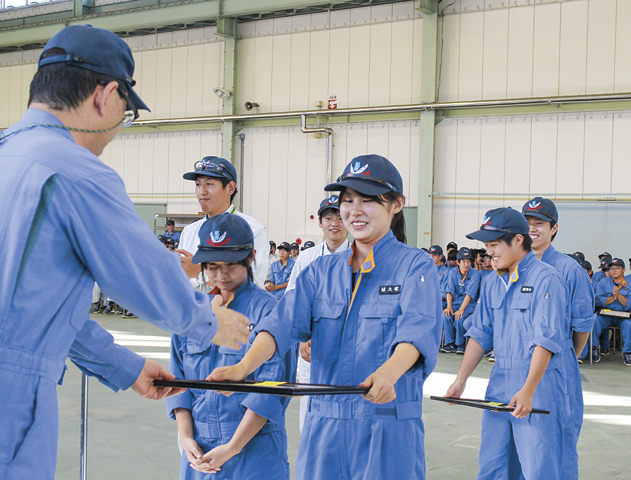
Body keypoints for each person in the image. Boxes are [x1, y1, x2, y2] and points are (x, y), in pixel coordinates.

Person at [0, 25, 249, 480]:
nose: (115, 131)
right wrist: (208, 321)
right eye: (125, 113)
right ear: (106, 95)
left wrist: (125, 366)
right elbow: (143, 274)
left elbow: (39, 311)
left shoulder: (8, 156)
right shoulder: (75, 170)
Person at [208, 154, 443, 480]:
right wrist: (242, 368)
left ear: (397, 204)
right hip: (325, 428)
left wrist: (389, 373)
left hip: (385, 425)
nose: (355, 210)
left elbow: (418, 331)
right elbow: (281, 324)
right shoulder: (320, 272)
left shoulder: (415, 267)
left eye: (369, 200)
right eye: (348, 200)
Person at [166, 214, 294, 479]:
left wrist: (232, 448)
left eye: (231, 265)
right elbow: (178, 382)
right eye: (212, 266)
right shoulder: (194, 313)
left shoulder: (270, 312)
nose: (221, 275)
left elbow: (269, 391)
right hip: (199, 453)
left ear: (251, 257)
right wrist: (186, 438)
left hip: (254, 453)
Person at [446, 207, 569, 480]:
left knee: (539, 465)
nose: (489, 252)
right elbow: (481, 333)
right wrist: (461, 379)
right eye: (486, 246)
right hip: (500, 379)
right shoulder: (491, 282)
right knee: (494, 461)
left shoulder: (546, 279)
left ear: (517, 240)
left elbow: (545, 340)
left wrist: (528, 389)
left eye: (494, 245)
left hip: (539, 383)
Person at [522, 197, 595, 479]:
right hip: (520, 365)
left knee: (558, 444)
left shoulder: (569, 271)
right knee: (524, 444)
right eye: (527, 223)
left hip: (557, 368)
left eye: (539, 223)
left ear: (553, 228)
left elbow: (581, 327)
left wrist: (565, 360)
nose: (532, 229)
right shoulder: (515, 268)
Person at [285, 194, 350, 432]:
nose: (334, 223)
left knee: (343, 406)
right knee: (310, 408)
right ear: (320, 222)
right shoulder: (307, 258)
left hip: (348, 348)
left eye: (339, 217)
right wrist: (302, 337)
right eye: (328, 217)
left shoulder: (361, 257)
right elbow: (293, 300)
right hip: (311, 348)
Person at [177, 156, 269, 288]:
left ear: (230, 188)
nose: (201, 191)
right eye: (198, 184)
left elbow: (253, 285)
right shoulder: (189, 231)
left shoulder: (253, 230)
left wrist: (201, 274)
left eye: (209, 184)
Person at [592, 258, 631, 366]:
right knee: (594, 320)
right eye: (612, 268)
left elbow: (630, 304)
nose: (614, 271)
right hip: (607, 314)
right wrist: (613, 297)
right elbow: (599, 300)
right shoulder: (604, 282)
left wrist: (619, 295)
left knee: (630, 324)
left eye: (617, 268)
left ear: (624, 270)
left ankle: (627, 352)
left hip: (624, 315)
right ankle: (595, 347)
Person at [442, 247, 481, 354]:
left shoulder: (475, 274)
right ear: (458, 262)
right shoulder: (452, 273)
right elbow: (449, 291)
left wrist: (461, 309)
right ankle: (449, 344)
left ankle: (460, 345)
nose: (466, 264)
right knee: (446, 314)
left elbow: (470, 294)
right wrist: (449, 306)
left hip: (469, 304)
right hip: (456, 303)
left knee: (460, 317)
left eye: (469, 261)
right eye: (464, 261)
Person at [427, 244, 450, 310]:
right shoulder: (426, 270)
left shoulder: (446, 272)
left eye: (434, 255)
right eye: (430, 255)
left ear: (441, 256)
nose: (431, 257)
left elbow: (443, 293)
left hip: (439, 302)